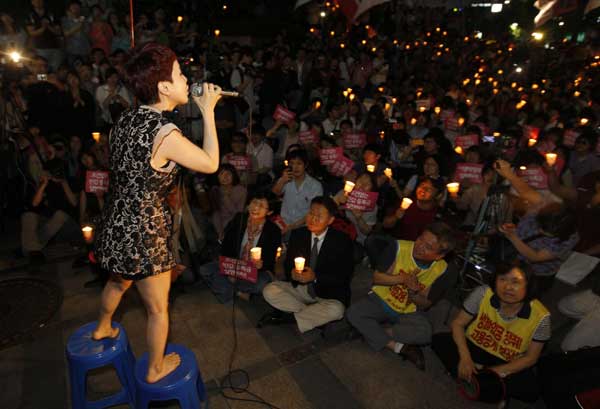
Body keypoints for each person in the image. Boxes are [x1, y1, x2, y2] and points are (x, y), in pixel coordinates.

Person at [93, 42, 221, 383]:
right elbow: (210, 163)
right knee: (158, 308)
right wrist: (208, 111)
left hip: (116, 220)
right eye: (179, 75)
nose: (185, 81)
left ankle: (103, 327)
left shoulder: (125, 118)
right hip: (145, 230)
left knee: (118, 283)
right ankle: (155, 368)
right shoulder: (164, 133)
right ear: (164, 87)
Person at [432, 262, 551, 404]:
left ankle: (475, 377)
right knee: (438, 341)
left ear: (528, 286)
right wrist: (465, 358)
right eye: (502, 279)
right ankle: (484, 382)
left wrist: (494, 371)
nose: (507, 287)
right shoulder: (482, 293)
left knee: (530, 391)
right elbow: (458, 323)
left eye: (516, 282)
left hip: (507, 359)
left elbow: (531, 358)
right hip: (474, 346)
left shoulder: (542, 316)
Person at [346, 222, 457, 370]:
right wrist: (402, 279)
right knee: (353, 312)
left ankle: (372, 332)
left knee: (425, 332)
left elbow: (425, 304)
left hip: (408, 310)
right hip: (381, 299)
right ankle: (398, 347)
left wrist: (412, 292)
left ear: (439, 256)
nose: (419, 246)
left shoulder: (443, 270)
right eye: (420, 239)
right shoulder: (398, 247)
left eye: (428, 247)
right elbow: (377, 278)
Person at [259, 196, 354, 333]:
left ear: (330, 220)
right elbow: (289, 264)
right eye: (311, 213)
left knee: (337, 310)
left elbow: (343, 277)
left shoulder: (342, 241)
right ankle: (311, 316)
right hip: (301, 290)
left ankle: (289, 318)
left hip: (327, 295)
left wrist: (315, 277)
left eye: (319, 216)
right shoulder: (299, 234)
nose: (313, 219)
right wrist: (292, 272)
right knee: (269, 290)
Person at [199, 191, 282, 303]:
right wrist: (231, 271)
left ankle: (227, 290)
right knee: (205, 270)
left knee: (261, 284)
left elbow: (270, 260)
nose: (255, 207)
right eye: (254, 202)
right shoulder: (239, 219)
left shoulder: (273, 230)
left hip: (255, 271)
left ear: (269, 212)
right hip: (235, 264)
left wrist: (261, 264)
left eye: (261, 206)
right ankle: (238, 292)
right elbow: (226, 246)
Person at [272, 148, 323, 235]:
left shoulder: (315, 185)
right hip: (283, 223)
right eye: (292, 163)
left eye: (299, 164)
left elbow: (314, 211)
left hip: (304, 226)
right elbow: (275, 192)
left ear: (305, 165)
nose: (295, 167)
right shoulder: (286, 178)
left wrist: (292, 227)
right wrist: (282, 181)